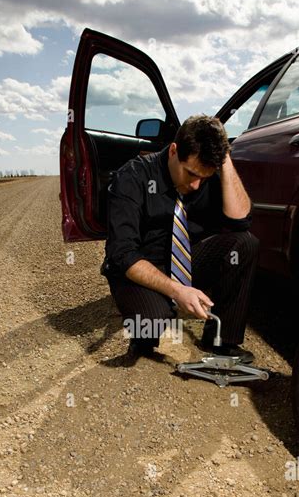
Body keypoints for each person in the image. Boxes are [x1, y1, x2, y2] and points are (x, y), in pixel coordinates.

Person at [100, 114, 259, 362]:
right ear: (174, 151)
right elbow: (123, 254)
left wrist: (224, 158)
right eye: (191, 173)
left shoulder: (206, 172)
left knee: (245, 243)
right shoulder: (132, 178)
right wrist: (177, 292)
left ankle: (221, 340)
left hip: (184, 260)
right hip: (141, 266)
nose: (196, 185)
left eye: (204, 177)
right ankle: (144, 327)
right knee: (150, 323)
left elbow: (240, 221)